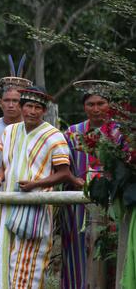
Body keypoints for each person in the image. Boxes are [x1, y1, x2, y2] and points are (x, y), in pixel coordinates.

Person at [0, 86, 83, 288]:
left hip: (35, 206)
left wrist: (34, 184)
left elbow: (64, 172)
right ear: (22, 108)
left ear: (44, 110)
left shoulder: (53, 135)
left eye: (37, 107)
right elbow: (8, 163)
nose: (32, 111)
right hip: (6, 203)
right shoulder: (9, 132)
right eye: (29, 106)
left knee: (27, 265)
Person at [61, 80, 124, 289]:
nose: (96, 109)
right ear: (84, 107)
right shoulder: (71, 133)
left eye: (101, 103)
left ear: (110, 105)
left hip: (113, 204)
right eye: (90, 104)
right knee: (77, 253)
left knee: (112, 251)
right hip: (78, 206)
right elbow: (61, 166)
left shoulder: (121, 133)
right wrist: (73, 179)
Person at [0, 71, 31, 189]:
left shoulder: (31, 129)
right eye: (7, 100)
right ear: (0, 103)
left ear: (22, 104)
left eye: (15, 101)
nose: (10, 105)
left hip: (21, 191)